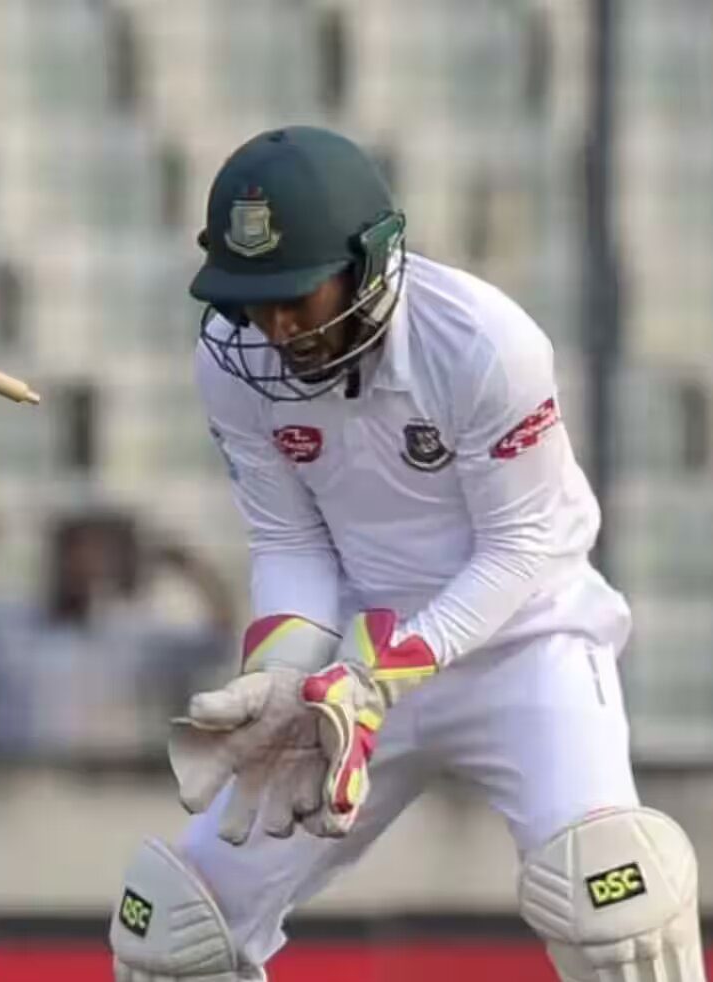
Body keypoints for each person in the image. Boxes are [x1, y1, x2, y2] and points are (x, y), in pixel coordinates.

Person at [108, 126, 703, 982]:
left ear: (371, 263)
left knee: (614, 903)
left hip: (520, 648)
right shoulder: (231, 362)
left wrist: (380, 671)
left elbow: (520, 546)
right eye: (251, 298)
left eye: (296, 294)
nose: (273, 326)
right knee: (171, 932)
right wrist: (281, 675)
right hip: (350, 673)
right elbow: (290, 538)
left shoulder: (483, 345)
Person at [0, 509, 235, 758]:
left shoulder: (136, 631)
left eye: (97, 554)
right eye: (74, 551)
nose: (84, 565)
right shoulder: (2, 620)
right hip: (14, 781)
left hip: (103, 788)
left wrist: (193, 569)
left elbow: (217, 642)